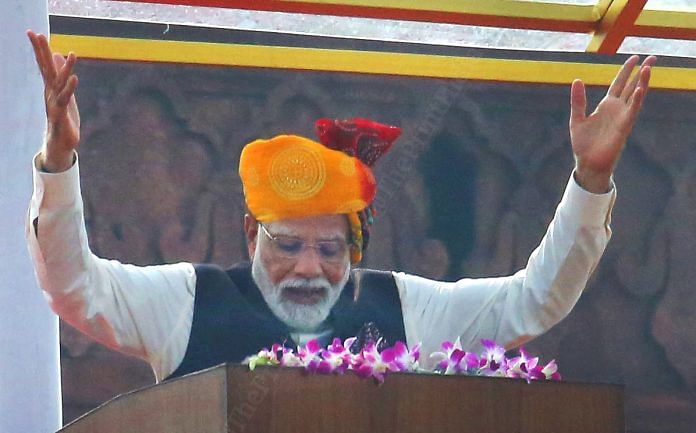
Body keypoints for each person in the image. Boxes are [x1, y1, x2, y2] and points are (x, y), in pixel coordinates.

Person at [25, 30, 656, 382]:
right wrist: (58, 165)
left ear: (357, 249)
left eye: (331, 250)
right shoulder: (190, 303)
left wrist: (590, 178)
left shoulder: (408, 308)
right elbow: (76, 288)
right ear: (251, 233)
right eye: (288, 244)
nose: (308, 268)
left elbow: (532, 300)